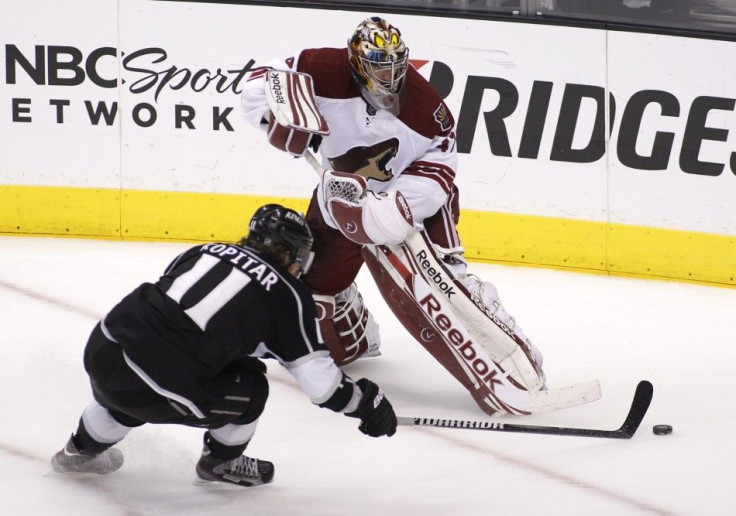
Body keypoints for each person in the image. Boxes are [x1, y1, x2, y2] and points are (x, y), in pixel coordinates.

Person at [240, 17, 544, 379]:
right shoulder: (321, 67)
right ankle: (359, 335)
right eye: (379, 67)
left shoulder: (426, 107)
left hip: (413, 202)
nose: (390, 78)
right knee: (317, 306)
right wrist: (275, 119)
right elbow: (260, 80)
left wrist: (395, 209)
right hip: (341, 198)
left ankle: (513, 355)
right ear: (356, 62)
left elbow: (441, 166)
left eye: (396, 66)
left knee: (448, 286)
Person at [50, 204, 397, 487]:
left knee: (139, 376)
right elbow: (321, 386)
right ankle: (221, 462)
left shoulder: (202, 251)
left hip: (104, 348)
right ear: (293, 254)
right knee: (251, 385)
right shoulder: (289, 296)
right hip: (158, 384)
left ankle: (79, 449)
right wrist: (365, 404)